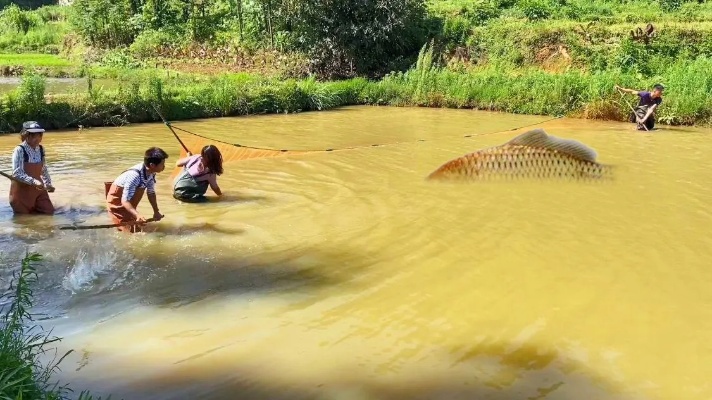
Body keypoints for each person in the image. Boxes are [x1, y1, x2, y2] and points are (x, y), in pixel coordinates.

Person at [105, 147, 167, 233]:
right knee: (127, 232)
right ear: (152, 165)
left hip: (128, 203)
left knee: (137, 228)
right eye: (162, 164)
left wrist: (156, 211)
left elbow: (151, 193)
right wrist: (138, 215)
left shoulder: (151, 173)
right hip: (117, 203)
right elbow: (125, 201)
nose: (164, 166)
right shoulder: (134, 176)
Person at [9, 121, 55, 215]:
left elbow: (43, 169)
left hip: (38, 190)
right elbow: (17, 173)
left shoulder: (41, 149)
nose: (37, 139)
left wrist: (48, 184)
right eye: (33, 136)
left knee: (49, 212)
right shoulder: (19, 150)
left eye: (39, 136)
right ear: (26, 136)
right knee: (24, 220)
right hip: (21, 193)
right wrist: (34, 181)